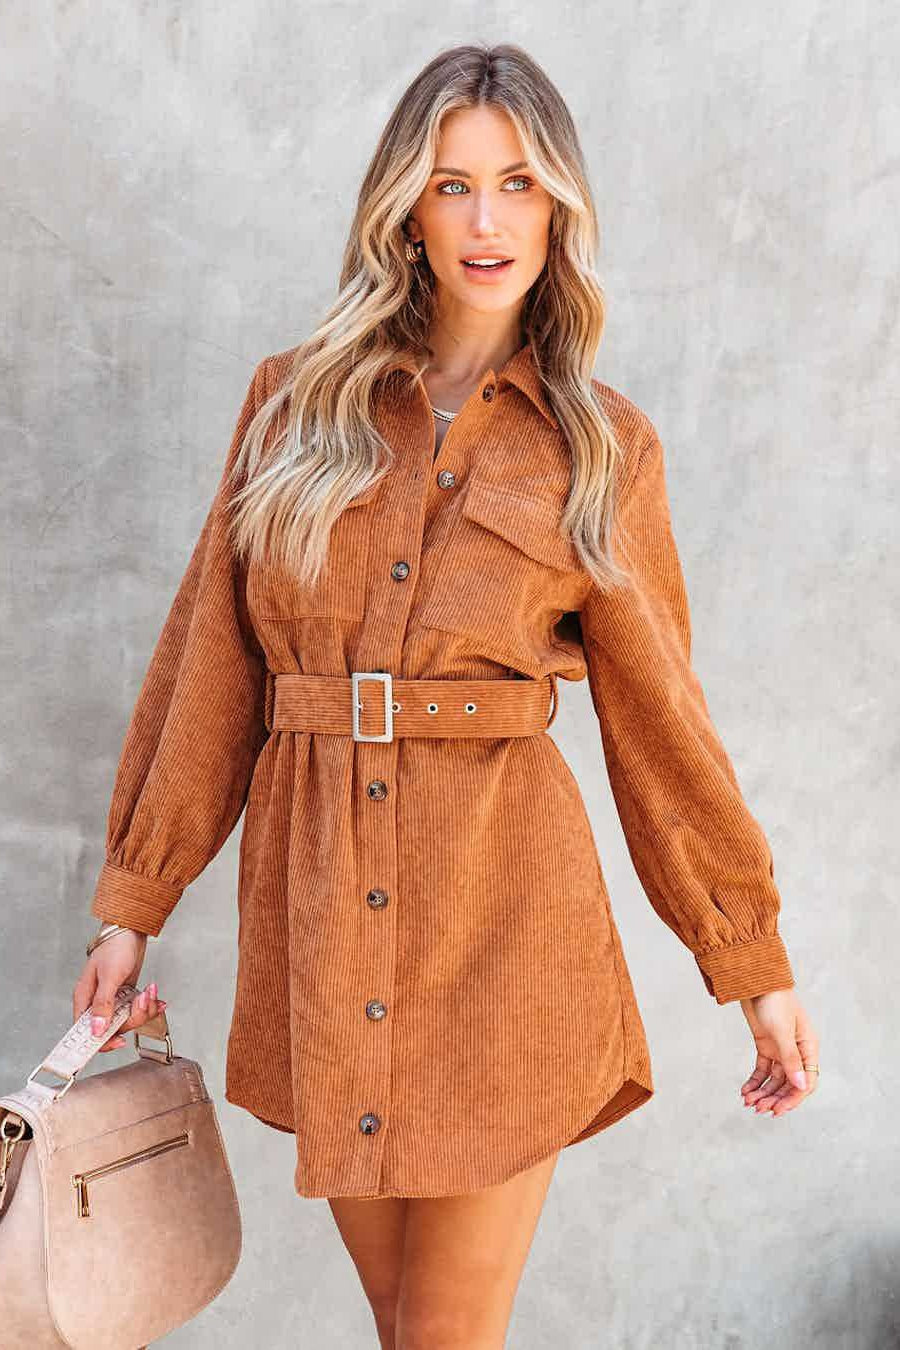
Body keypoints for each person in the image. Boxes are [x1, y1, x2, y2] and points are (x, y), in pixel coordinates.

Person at [73, 41, 820, 1350]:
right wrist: (135, 905)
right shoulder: (292, 407)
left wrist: (750, 964)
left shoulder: (602, 447)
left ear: (559, 208)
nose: (487, 221)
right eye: (453, 184)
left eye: (519, 184)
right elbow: (210, 668)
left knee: (443, 1333)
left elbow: (662, 727)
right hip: (326, 922)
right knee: (399, 1320)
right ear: (405, 209)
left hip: (503, 924)